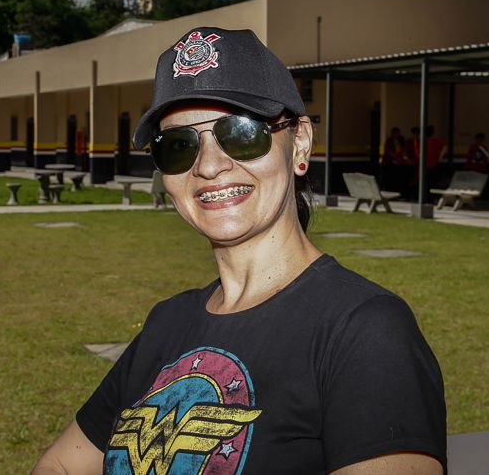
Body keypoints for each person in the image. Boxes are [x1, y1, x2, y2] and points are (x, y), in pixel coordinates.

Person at [32, 27, 446, 475]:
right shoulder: (165, 324)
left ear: (300, 143)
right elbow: (61, 463)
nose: (208, 166)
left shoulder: (364, 331)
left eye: (242, 133)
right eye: (178, 146)